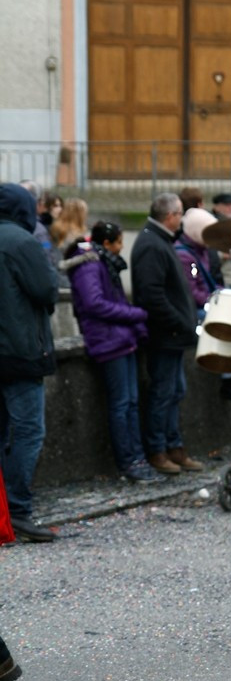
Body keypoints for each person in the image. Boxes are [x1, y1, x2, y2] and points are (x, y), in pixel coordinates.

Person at [66, 221, 160, 483]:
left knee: (129, 402)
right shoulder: (90, 264)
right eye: (119, 242)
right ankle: (129, 461)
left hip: (119, 339)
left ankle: (136, 458)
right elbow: (94, 303)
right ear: (107, 244)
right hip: (109, 340)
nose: (121, 248)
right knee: (122, 403)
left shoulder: (102, 262)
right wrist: (135, 314)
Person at [0, 184, 58, 541]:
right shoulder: (22, 242)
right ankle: (18, 509)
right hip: (20, 352)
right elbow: (46, 290)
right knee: (28, 432)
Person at [130, 192, 204, 475]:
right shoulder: (152, 244)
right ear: (171, 216)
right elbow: (153, 296)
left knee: (175, 392)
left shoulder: (159, 240)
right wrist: (180, 323)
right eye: (181, 214)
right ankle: (158, 450)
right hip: (165, 335)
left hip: (172, 335)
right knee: (163, 393)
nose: (183, 219)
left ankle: (174, 446)